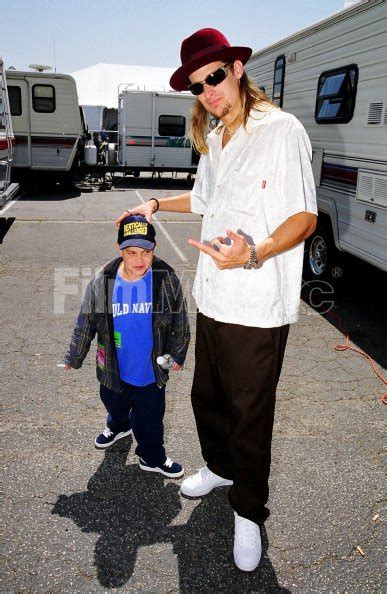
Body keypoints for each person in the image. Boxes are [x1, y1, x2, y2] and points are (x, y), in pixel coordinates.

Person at [116, 28, 318, 571]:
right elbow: (203, 199)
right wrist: (156, 202)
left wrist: (256, 250)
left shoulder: (280, 131)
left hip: (258, 304)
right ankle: (221, 468)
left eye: (215, 77)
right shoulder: (215, 140)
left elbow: (305, 216)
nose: (209, 91)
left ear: (236, 69)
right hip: (214, 300)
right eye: (198, 85)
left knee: (250, 413)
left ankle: (249, 513)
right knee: (209, 399)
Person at [64, 215, 190, 479]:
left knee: (150, 421)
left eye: (146, 251)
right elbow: (86, 321)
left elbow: (180, 320)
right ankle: (119, 426)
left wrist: (177, 354)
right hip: (113, 369)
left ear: (154, 248)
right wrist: (74, 356)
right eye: (131, 252)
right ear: (119, 249)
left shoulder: (164, 279)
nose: (140, 259)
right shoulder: (104, 281)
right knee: (113, 403)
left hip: (148, 373)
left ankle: (151, 456)